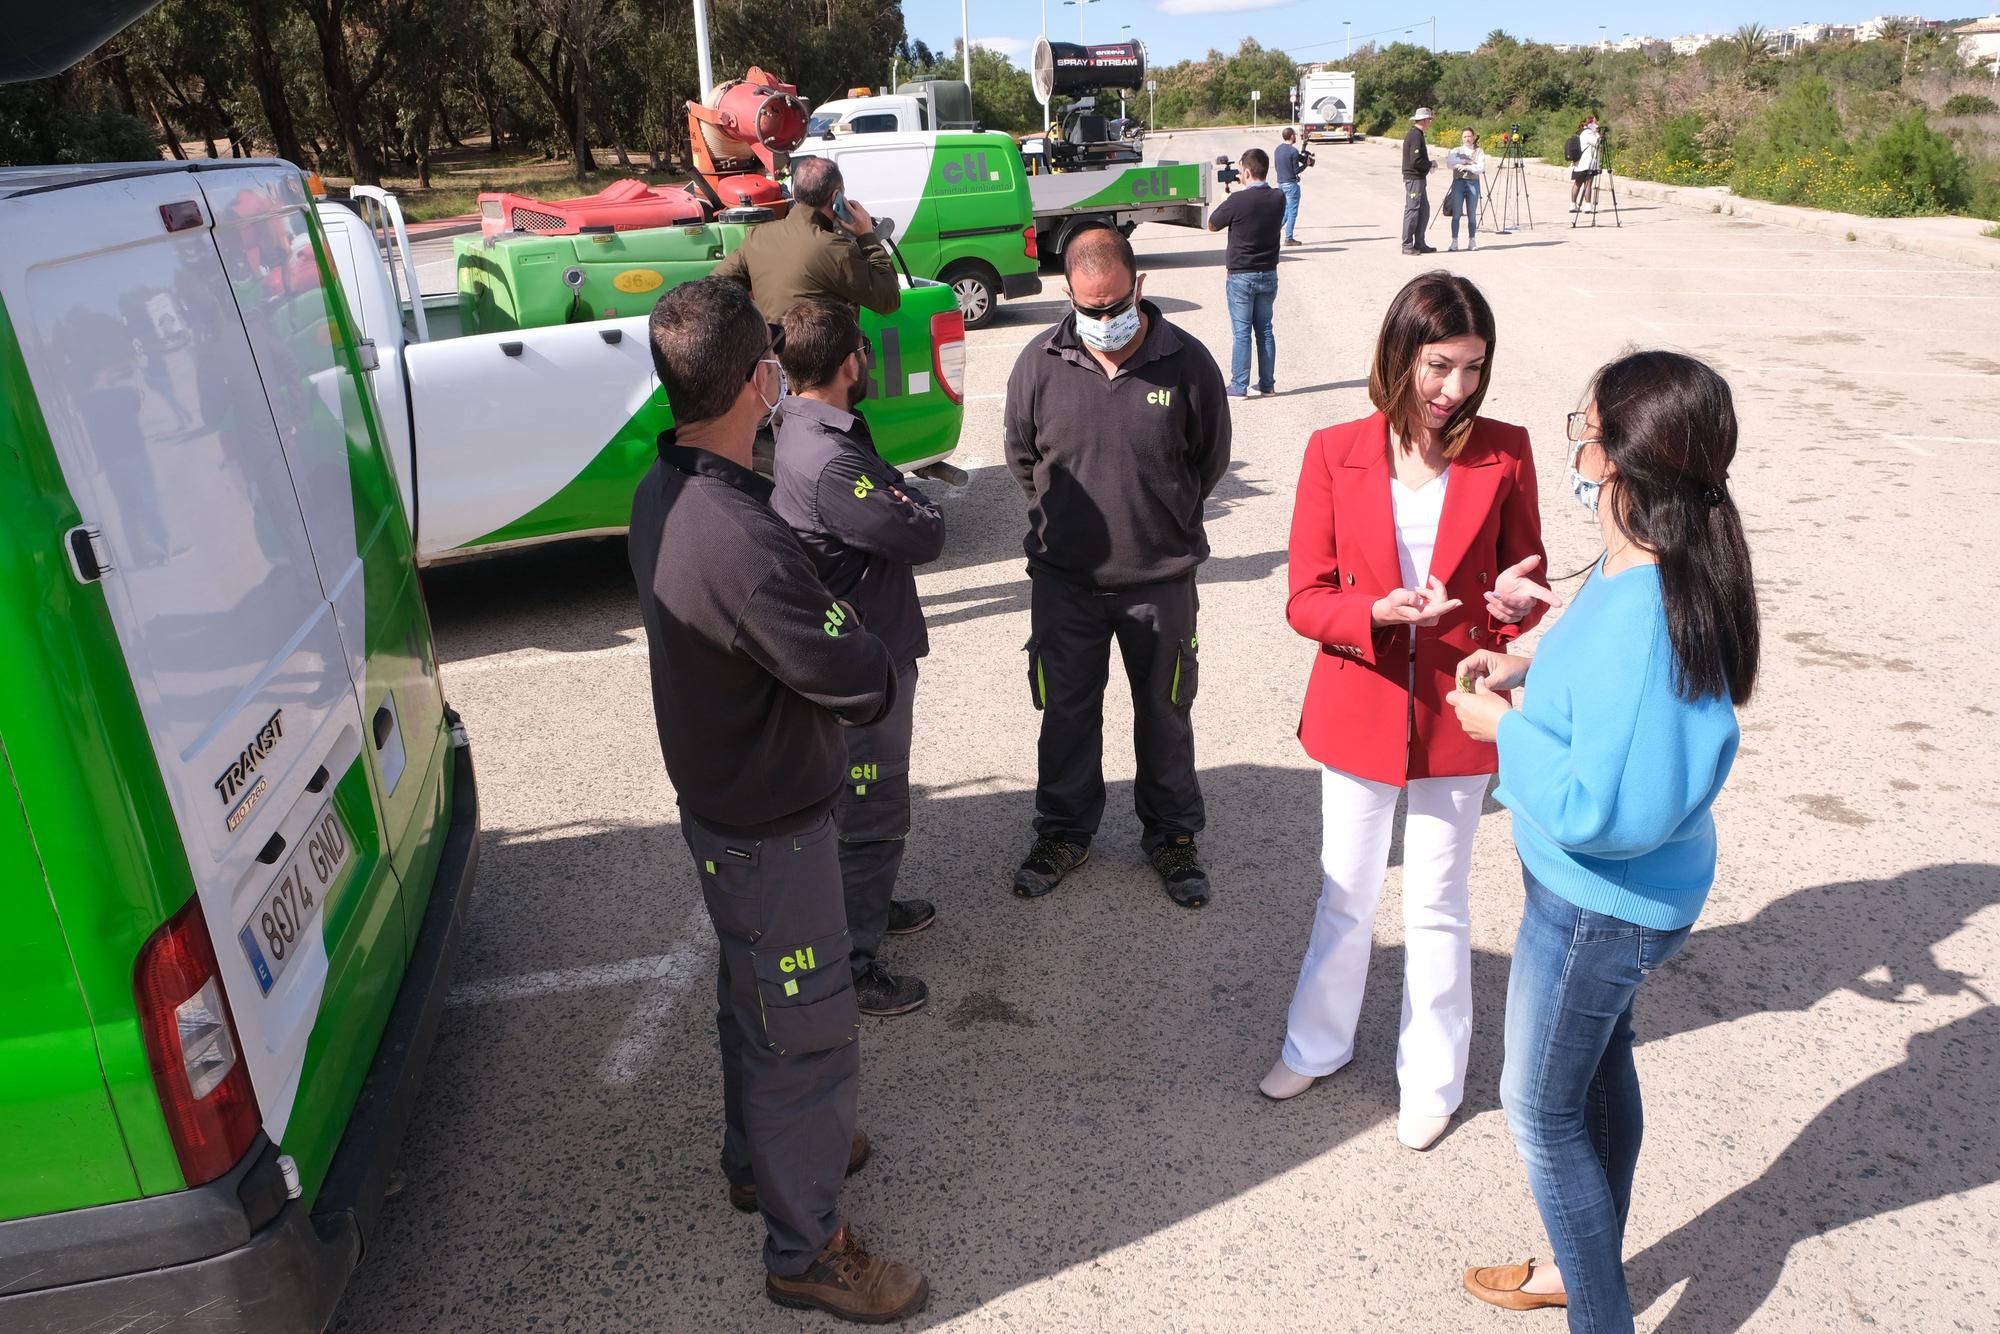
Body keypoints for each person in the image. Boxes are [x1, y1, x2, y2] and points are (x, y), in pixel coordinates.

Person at [628, 277, 927, 1323]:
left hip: (722, 810)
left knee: (752, 993)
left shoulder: (664, 487)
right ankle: (809, 1245)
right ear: (759, 377)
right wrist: (867, 649)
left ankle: (760, 1157)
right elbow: (851, 674)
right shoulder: (738, 539)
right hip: (771, 822)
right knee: (805, 1029)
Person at [1450, 351, 1759, 1332]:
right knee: (1596, 1068)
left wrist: (1507, 732)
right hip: (1614, 898)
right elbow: (1592, 648)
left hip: (1597, 903)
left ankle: (1597, 1313)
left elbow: (1600, 810)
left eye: (1582, 428)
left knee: (1540, 1115)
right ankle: (1573, 1264)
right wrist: (1524, 659)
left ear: (1621, 459)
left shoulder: (1645, 618)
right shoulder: (1643, 562)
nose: (1573, 447)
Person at [1261, 271, 1554, 1155]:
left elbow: (1523, 584)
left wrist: (1513, 606)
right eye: (1437, 367)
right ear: (1399, 356)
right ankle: (1317, 1044)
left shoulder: (1504, 450)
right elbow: (1306, 599)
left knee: (1438, 900)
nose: (1454, 391)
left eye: (1472, 369)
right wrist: (1373, 614)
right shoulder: (1333, 450)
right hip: (1361, 699)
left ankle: (1432, 1077)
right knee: (1345, 894)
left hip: (1459, 710)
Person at [1002, 226, 1231, 908]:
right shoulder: (1037, 363)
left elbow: (1208, 459)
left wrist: (1157, 523)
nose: (1104, 320)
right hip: (1064, 584)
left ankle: (1172, 838)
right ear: (1068, 292)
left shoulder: (1186, 363)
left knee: (1165, 713)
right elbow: (1021, 459)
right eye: (1089, 308)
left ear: (1138, 285)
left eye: (1114, 305)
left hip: (1159, 582)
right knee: (1066, 712)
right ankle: (1064, 833)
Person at [772, 298, 946, 1020]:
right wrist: (918, 503)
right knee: (871, 810)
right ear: (850, 361)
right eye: (865, 353)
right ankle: (854, 959)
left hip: (862, 646)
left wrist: (905, 497)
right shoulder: (832, 460)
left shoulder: (806, 425)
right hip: (865, 663)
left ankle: (871, 907)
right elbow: (920, 531)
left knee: (863, 805)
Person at [713, 156, 901, 321]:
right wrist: (867, 237)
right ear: (837, 198)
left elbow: (713, 288)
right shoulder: (836, 250)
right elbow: (889, 300)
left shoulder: (757, 238)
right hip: (825, 358)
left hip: (773, 357)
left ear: (794, 194)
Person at [1206, 146, 1285, 399]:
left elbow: (1212, 225)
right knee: (1265, 331)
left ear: (1247, 171)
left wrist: (1227, 197)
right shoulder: (1279, 197)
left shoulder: (1237, 201)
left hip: (1241, 275)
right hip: (1268, 273)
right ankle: (1267, 384)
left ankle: (1239, 386)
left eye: (1241, 170)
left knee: (1242, 333)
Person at [1401, 107, 1438, 255]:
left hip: (1419, 178)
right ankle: (1407, 244)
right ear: (1423, 120)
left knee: (1423, 210)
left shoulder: (1418, 134)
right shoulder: (1415, 135)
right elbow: (1415, 160)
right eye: (1429, 119)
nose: (1430, 122)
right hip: (1414, 178)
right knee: (1413, 210)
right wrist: (1430, 164)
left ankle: (1420, 243)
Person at [1444, 128, 1487, 252]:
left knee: (1472, 214)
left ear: (1473, 137)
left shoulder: (1479, 151)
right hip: (1458, 182)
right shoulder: (1456, 150)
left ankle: (1472, 240)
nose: (1467, 139)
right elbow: (1450, 163)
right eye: (1465, 137)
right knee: (1456, 213)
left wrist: (1467, 167)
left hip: (1473, 183)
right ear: (1461, 138)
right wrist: (1465, 161)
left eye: (1469, 136)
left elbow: (1480, 167)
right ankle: (1454, 241)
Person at [1274, 126, 1305, 246]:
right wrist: (1306, 164)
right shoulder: (1293, 151)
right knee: (1292, 211)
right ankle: (1289, 237)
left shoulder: (1278, 149)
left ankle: (1273, 231)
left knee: (1286, 210)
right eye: (1295, 135)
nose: (1295, 137)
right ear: (1291, 136)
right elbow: (1296, 170)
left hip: (1280, 183)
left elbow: (1277, 166)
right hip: (1291, 185)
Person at [1569, 116, 1602, 215]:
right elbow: (1597, 142)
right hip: (1587, 163)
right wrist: (1597, 133)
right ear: (1591, 124)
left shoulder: (1580, 132)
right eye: (1596, 123)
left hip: (1578, 163)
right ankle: (1588, 206)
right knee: (1588, 184)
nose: (1597, 125)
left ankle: (1573, 205)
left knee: (1577, 183)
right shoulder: (1588, 133)